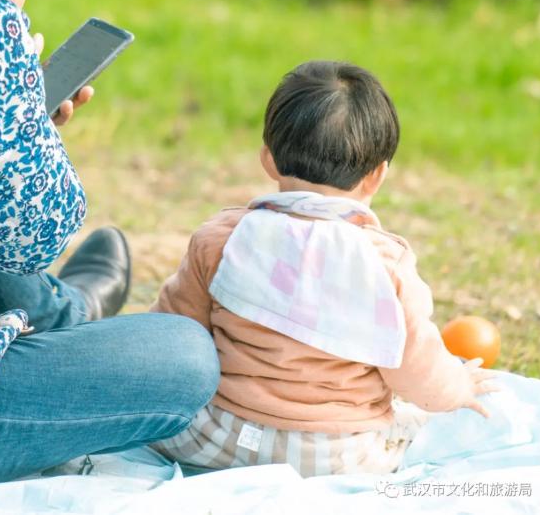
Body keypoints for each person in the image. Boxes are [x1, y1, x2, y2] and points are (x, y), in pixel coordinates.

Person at [0, 0, 219, 487]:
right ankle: (66, 320)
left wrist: (6, 120)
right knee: (183, 356)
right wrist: (10, 67)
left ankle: (64, 314)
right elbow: (34, 236)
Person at [151, 60, 498, 477]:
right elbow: (416, 370)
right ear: (377, 176)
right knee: (415, 427)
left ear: (268, 160)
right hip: (336, 457)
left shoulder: (224, 239)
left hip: (217, 439)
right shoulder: (385, 266)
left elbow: (171, 335)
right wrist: (456, 387)